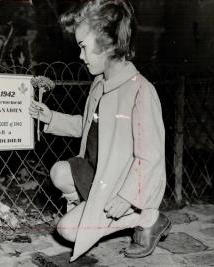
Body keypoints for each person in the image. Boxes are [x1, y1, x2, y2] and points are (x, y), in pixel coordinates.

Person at [29, 0, 171, 262]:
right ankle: (94, 208)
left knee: (67, 230)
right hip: (97, 173)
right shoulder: (99, 83)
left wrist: (128, 196)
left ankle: (148, 217)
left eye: (83, 47)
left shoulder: (140, 91)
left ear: (108, 44)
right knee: (59, 173)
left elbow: (150, 157)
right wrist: (50, 118)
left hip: (119, 184)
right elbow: (87, 126)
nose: (80, 56)